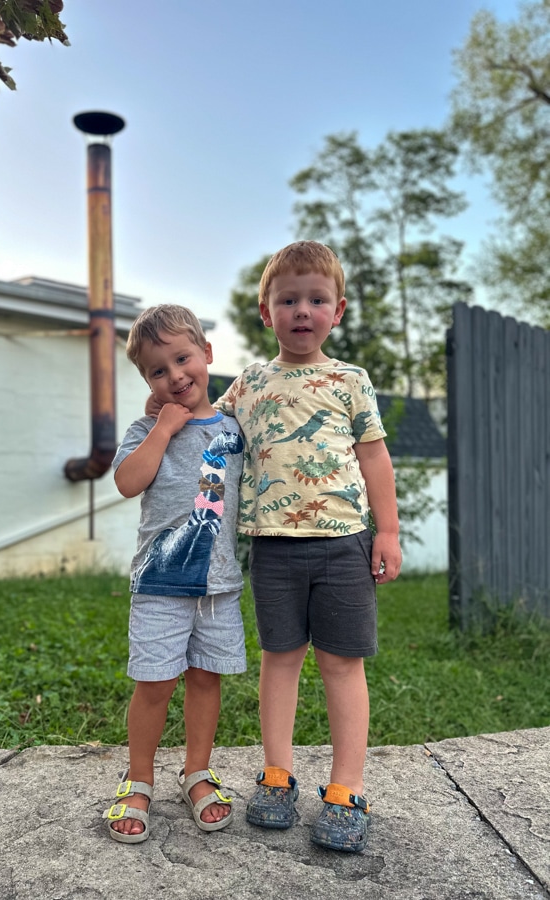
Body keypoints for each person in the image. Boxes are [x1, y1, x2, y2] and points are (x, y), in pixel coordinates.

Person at [215, 240, 402, 853]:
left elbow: (375, 459)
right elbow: (206, 427)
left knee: (342, 664)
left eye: (317, 299)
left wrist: (388, 531)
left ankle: (347, 789)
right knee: (280, 658)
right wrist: (166, 402)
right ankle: (277, 775)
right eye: (288, 299)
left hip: (344, 546)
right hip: (272, 549)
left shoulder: (350, 380)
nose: (303, 310)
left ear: (337, 311)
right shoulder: (248, 384)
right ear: (265, 312)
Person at [103, 303, 246, 844]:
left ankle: (196, 772)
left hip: (219, 585)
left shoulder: (234, 429)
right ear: (147, 381)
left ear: (207, 354)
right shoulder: (145, 428)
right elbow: (127, 482)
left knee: (206, 679)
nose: (175, 376)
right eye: (158, 370)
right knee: (155, 683)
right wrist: (162, 428)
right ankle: (139, 778)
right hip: (160, 583)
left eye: (183, 359)